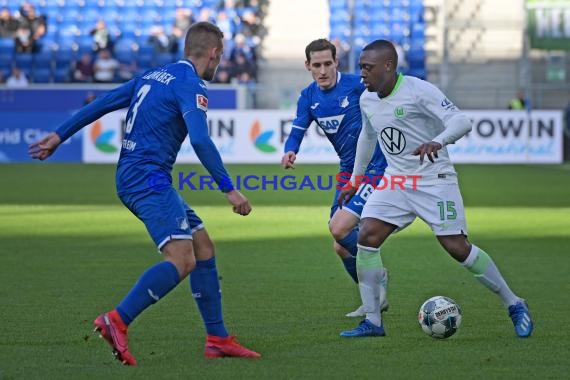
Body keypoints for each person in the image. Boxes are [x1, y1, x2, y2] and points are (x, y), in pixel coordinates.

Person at [29, 22, 261, 365]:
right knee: (182, 259)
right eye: (220, 56)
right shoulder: (190, 83)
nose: (220, 63)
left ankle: (218, 338)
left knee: (203, 247)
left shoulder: (154, 75)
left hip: (138, 174)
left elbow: (105, 101)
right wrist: (229, 190)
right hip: (147, 178)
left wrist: (59, 135)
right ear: (213, 53)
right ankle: (117, 319)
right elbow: (199, 139)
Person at [338, 39, 534, 338]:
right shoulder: (367, 99)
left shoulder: (418, 90)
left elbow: (461, 121)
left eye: (368, 67)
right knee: (367, 236)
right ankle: (374, 322)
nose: (362, 74)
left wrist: (438, 141)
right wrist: (355, 180)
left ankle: (514, 303)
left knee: (457, 248)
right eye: (361, 67)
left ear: (388, 66)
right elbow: (367, 137)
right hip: (397, 180)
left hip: (434, 179)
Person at [281, 39, 389, 318]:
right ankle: (373, 300)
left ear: (336, 62)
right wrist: (290, 150)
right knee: (340, 245)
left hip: (376, 167)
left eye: (328, 63)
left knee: (339, 229)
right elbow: (297, 129)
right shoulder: (308, 97)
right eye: (316, 65)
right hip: (347, 170)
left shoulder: (356, 85)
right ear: (308, 66)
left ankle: (378, 278)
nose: (323, 70)